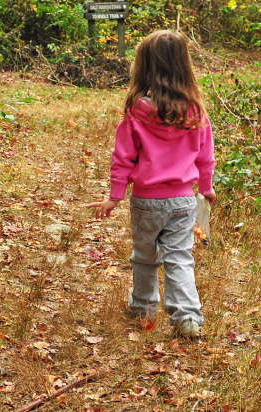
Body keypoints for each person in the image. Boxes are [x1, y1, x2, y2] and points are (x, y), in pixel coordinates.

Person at [87, 30, 216, 338]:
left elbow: (123, 158)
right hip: (183, 201)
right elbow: (205, 156)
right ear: (183, 66)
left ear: (144, 66)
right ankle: (187, 317)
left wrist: (115, 196)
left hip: (146, 200)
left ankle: (143, 308)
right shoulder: (195, 111)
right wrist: (206, 188)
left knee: (144, 257)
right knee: (179, 257)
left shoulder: (136, 111)